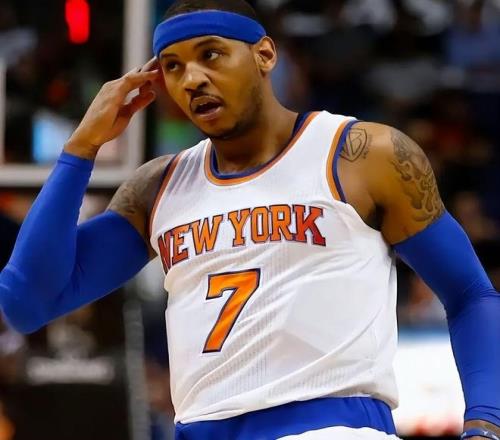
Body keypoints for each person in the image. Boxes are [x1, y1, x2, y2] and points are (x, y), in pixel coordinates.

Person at [0, 0, 499, 439]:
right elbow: (25, 302)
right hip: (199, 428)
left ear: (265, 55)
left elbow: (470, 293)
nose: (192, 78)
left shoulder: (362, 154)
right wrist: (80, 149)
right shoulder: (158, 187)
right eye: (173, 66)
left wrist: (485, 422)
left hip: (330, 424)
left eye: (211, 54)